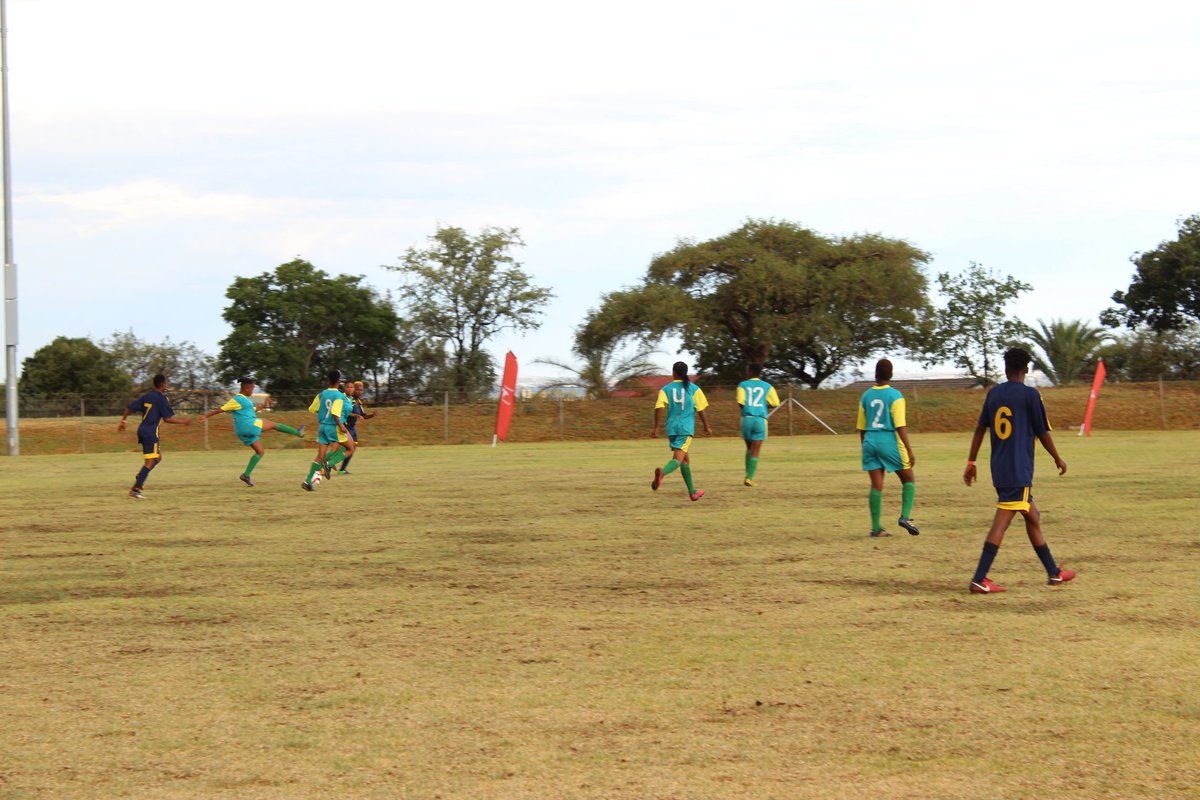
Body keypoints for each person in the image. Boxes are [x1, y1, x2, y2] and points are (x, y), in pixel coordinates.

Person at [964, 347, 1075, 594]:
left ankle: (1053, 573)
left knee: (1032, 516)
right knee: (1002, 521)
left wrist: (971, 462)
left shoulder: (993, 395)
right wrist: (1057, 457)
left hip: (1001, 468)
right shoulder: (1030, 395)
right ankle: (979, 579)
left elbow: (980, 429)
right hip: (1018, 469)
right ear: (1026, 369)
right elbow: (1042, 431)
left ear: (1006, 369)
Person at [196, 377, 306, 486]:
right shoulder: (238, 399)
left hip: (241, 431)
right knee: (274, 425)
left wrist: (263, 406)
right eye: (252, 388)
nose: (253, 391)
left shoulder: (245, 400)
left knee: (260, 452)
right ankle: (298, 432)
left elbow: (252, 410)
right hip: (249, 425)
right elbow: (222, 409)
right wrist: (205, 416)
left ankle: (246, 475)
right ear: (246, 388)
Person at [856, 359, 919, 537]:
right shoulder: (895, 396)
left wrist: (865, 447)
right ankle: (905, 517)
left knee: (876, 485)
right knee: (909, 480)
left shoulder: (866, 396)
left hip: (869, 441)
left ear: (875, 374)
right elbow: (900, 425)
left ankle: (876, 528)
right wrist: (909, 449)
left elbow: (861, 427)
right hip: (888, 440)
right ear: (890, 374)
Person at [116, 374, 192, 499]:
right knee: (151, 461)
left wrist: (123, 421)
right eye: (166, 383)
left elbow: (129, 407)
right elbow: (168, 419)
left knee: (157, 458)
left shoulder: (147, 396)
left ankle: (141, 476)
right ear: (162, 384)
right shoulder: (162, 398)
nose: (166, 386)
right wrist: (183, 422)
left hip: (142, 430)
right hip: (151, 432)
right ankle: (135, 489)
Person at [650, 361, 713, 501]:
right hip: (685, 428)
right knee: (678, 459)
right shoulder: (694, 389)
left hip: (672, 428)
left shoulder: (666, 389)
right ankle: (662, 472)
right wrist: (706, 426)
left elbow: (658, 408)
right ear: (685, 373)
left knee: (685, 459)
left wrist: (656, 427)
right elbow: (701, 409)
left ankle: (692, 492)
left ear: (673, 373)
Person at [302, 369, 354, 491]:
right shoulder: (339, 396)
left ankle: (308, 481)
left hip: (322, 427)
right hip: (333, 427)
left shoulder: (321, 394)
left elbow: (312, 409)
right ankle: (329, 464)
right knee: (350, 448)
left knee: (320, 456)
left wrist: (323, 413)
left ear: (328, 380)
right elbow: (335, 413)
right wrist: (341, 426)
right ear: (339, 381)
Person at [736, 363, 780, 486]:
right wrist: (762, 406)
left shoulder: (742, 385)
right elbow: (775, 403)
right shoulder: (767, 386)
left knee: (749, 448)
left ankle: (747, 473)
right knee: (756, 451)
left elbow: (740, 402)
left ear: (750, 371)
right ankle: (749, 477)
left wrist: (748, 408)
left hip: (747, 419)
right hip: (760, 419)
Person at [337, 381, 374, 474]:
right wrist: (356, 416)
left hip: (352, 428)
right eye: (358, 389)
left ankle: (341, 468)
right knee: (348, 448)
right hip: (345, 426)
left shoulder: (359, 403)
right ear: (353, 390)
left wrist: (372, 415)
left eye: (361, 390)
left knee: (351, 448)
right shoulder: (350, 400)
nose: (360, 392)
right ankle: (329, 464)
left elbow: (363, 415)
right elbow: (346, 412)